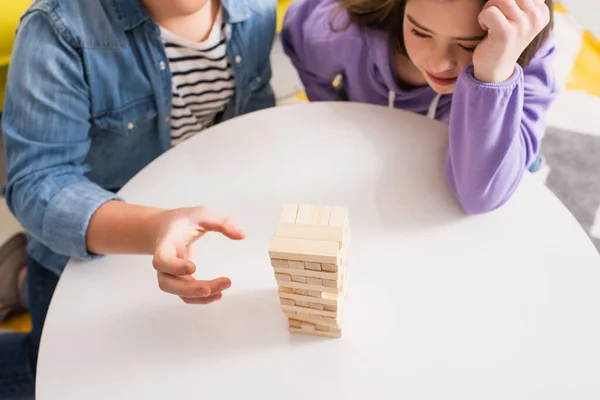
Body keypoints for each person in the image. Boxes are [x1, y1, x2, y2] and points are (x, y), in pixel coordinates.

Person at [0, 0, 276, 397]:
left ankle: (21, 279)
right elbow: (38, 182)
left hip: (194, 236)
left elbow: (251, 110)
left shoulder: (256, 11)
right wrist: (155, 227)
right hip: (83, 247)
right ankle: (27, 277)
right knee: (56, 374)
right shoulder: (58, 27)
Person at [281, 0, 558, 214]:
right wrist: (332, 112)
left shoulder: (519, 45)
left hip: (485, 160)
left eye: (467, 45)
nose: (439, 64)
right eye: (420, 32)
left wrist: (494, 75)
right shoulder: (339, 32)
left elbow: (479, 197)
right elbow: (299, 39)